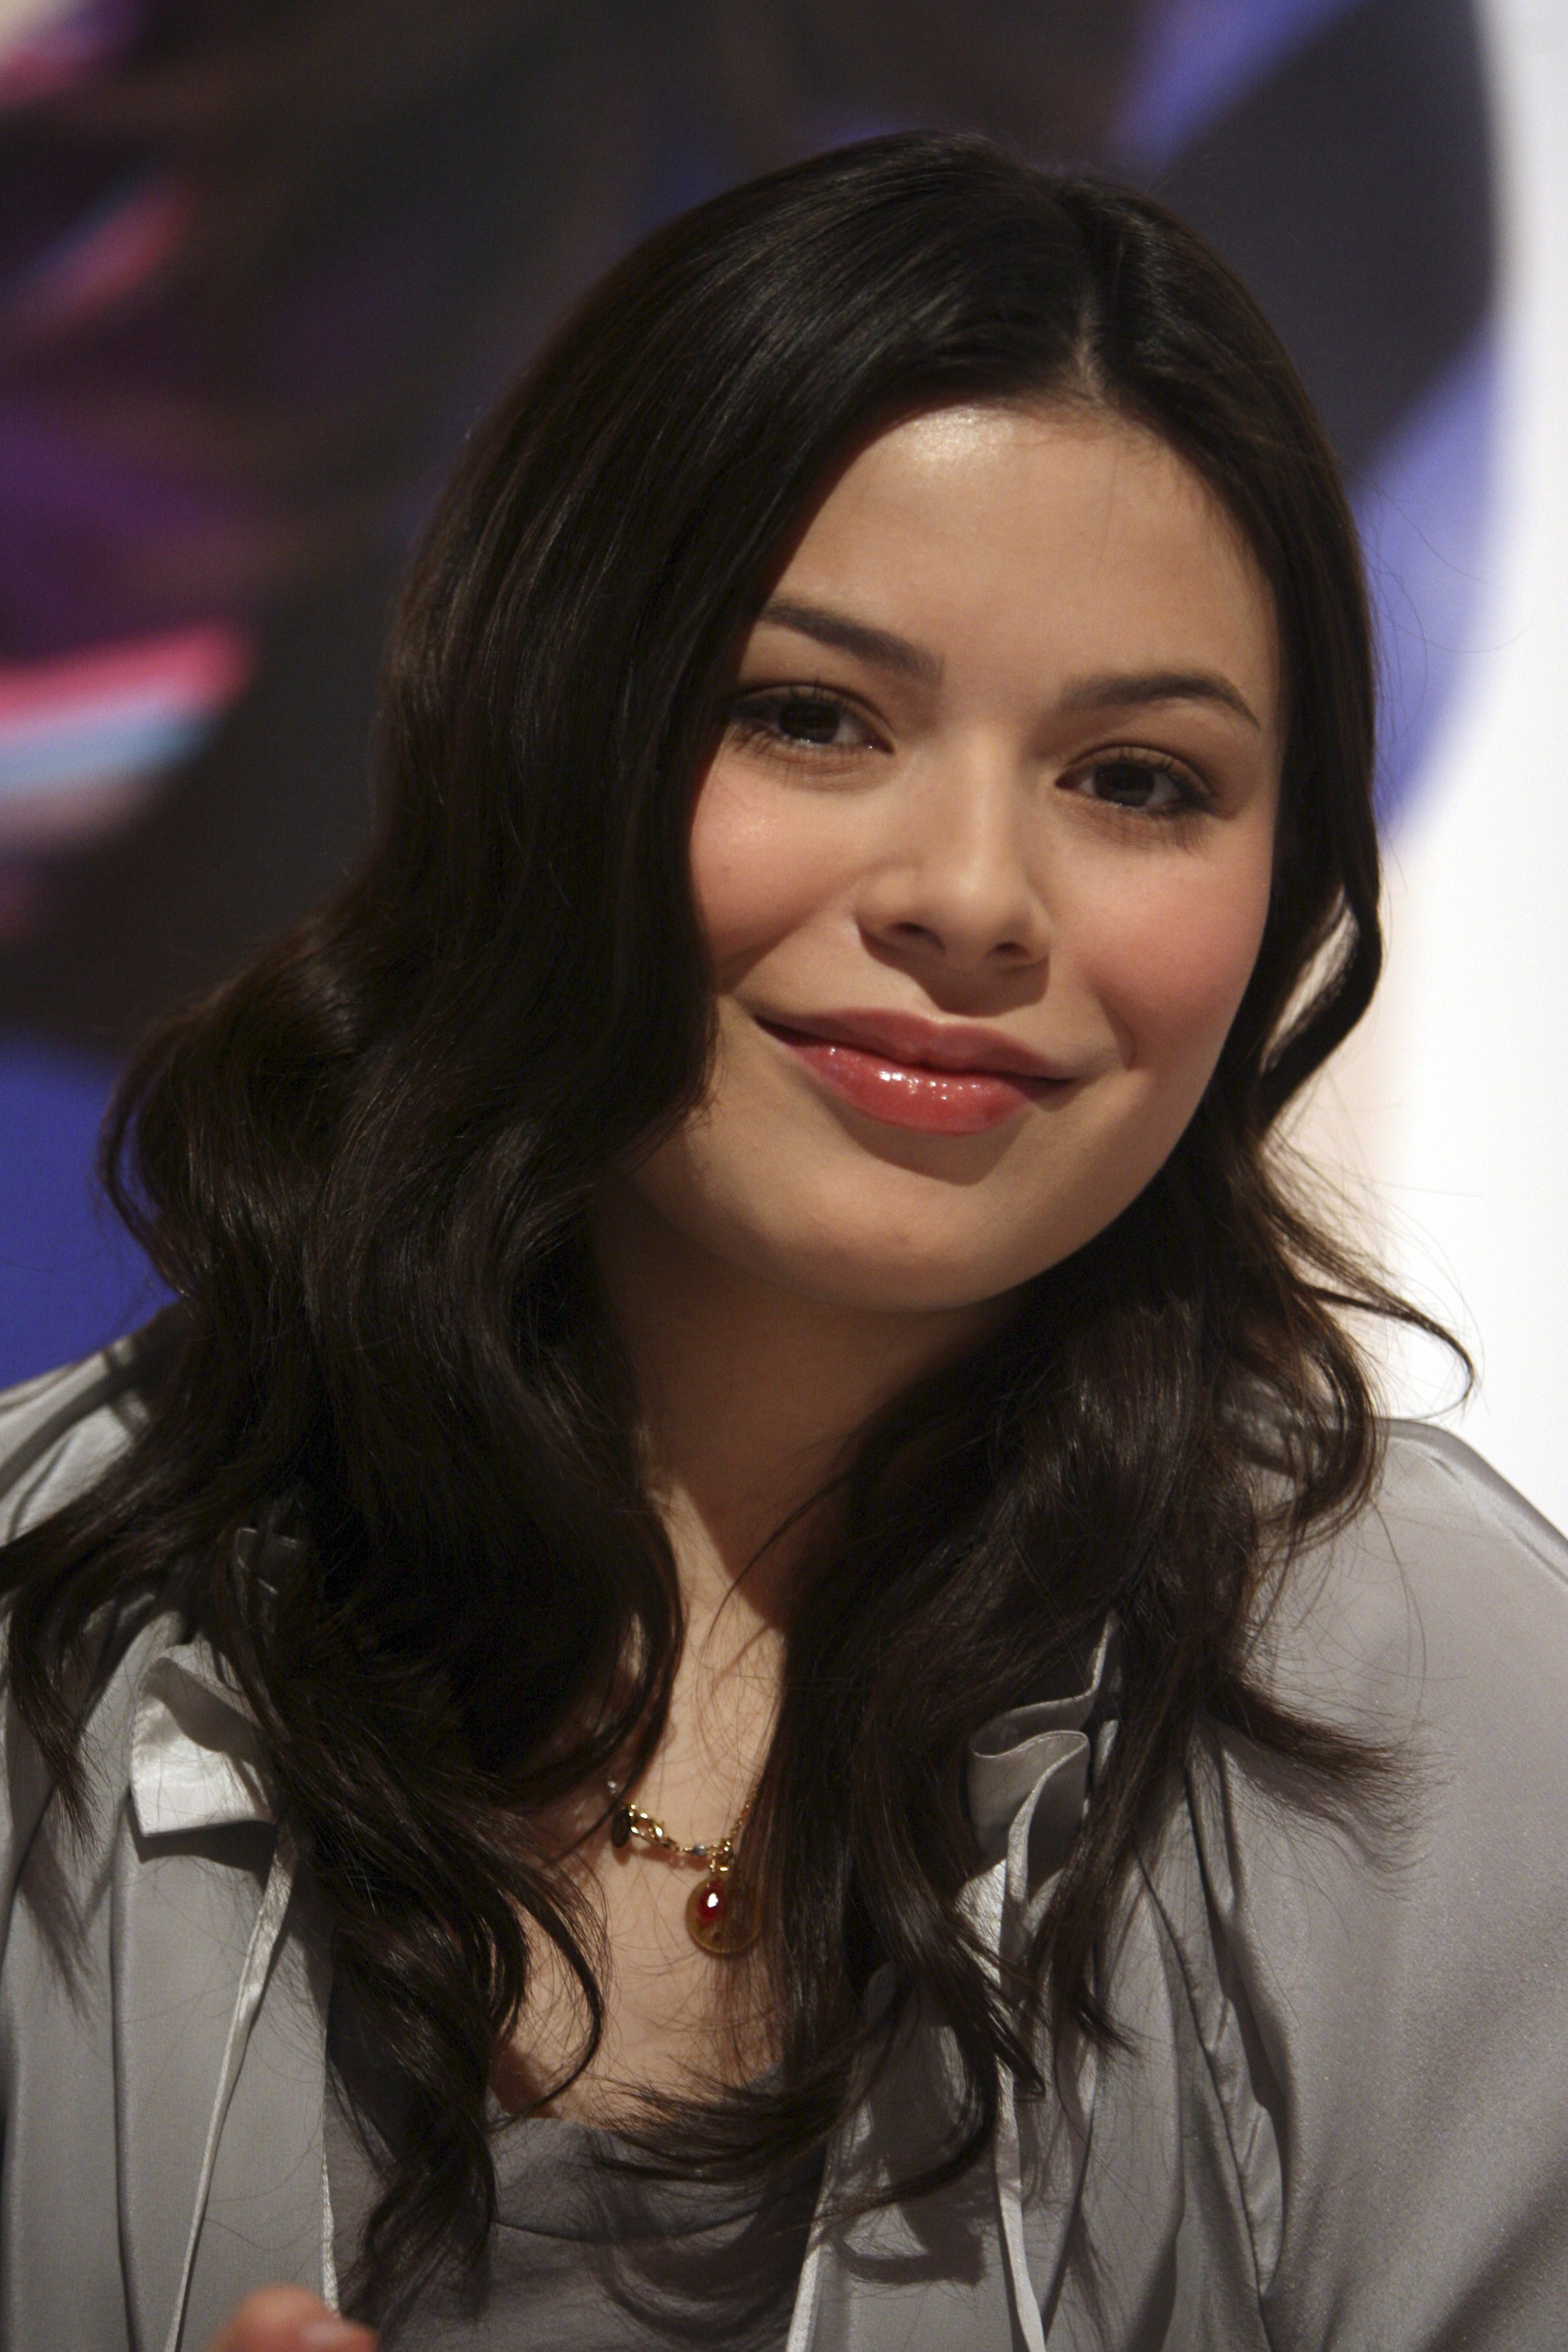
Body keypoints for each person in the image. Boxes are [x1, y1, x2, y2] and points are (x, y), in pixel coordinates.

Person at [1, 133, 1565, 2352]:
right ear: (536, 732)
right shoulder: (51, 1605)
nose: (972, 896)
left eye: (1139, 778)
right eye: (811, 718)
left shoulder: (1454, 1715)